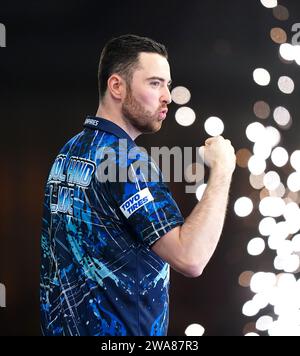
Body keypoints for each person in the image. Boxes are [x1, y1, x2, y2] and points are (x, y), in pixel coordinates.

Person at [40, 34, 236, 336]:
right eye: (155, 83)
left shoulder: (69, 152)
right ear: (117, 86)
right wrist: (222, 170)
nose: (167, 96)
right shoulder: (125, 162)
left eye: (167, 85)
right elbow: (190, 258)